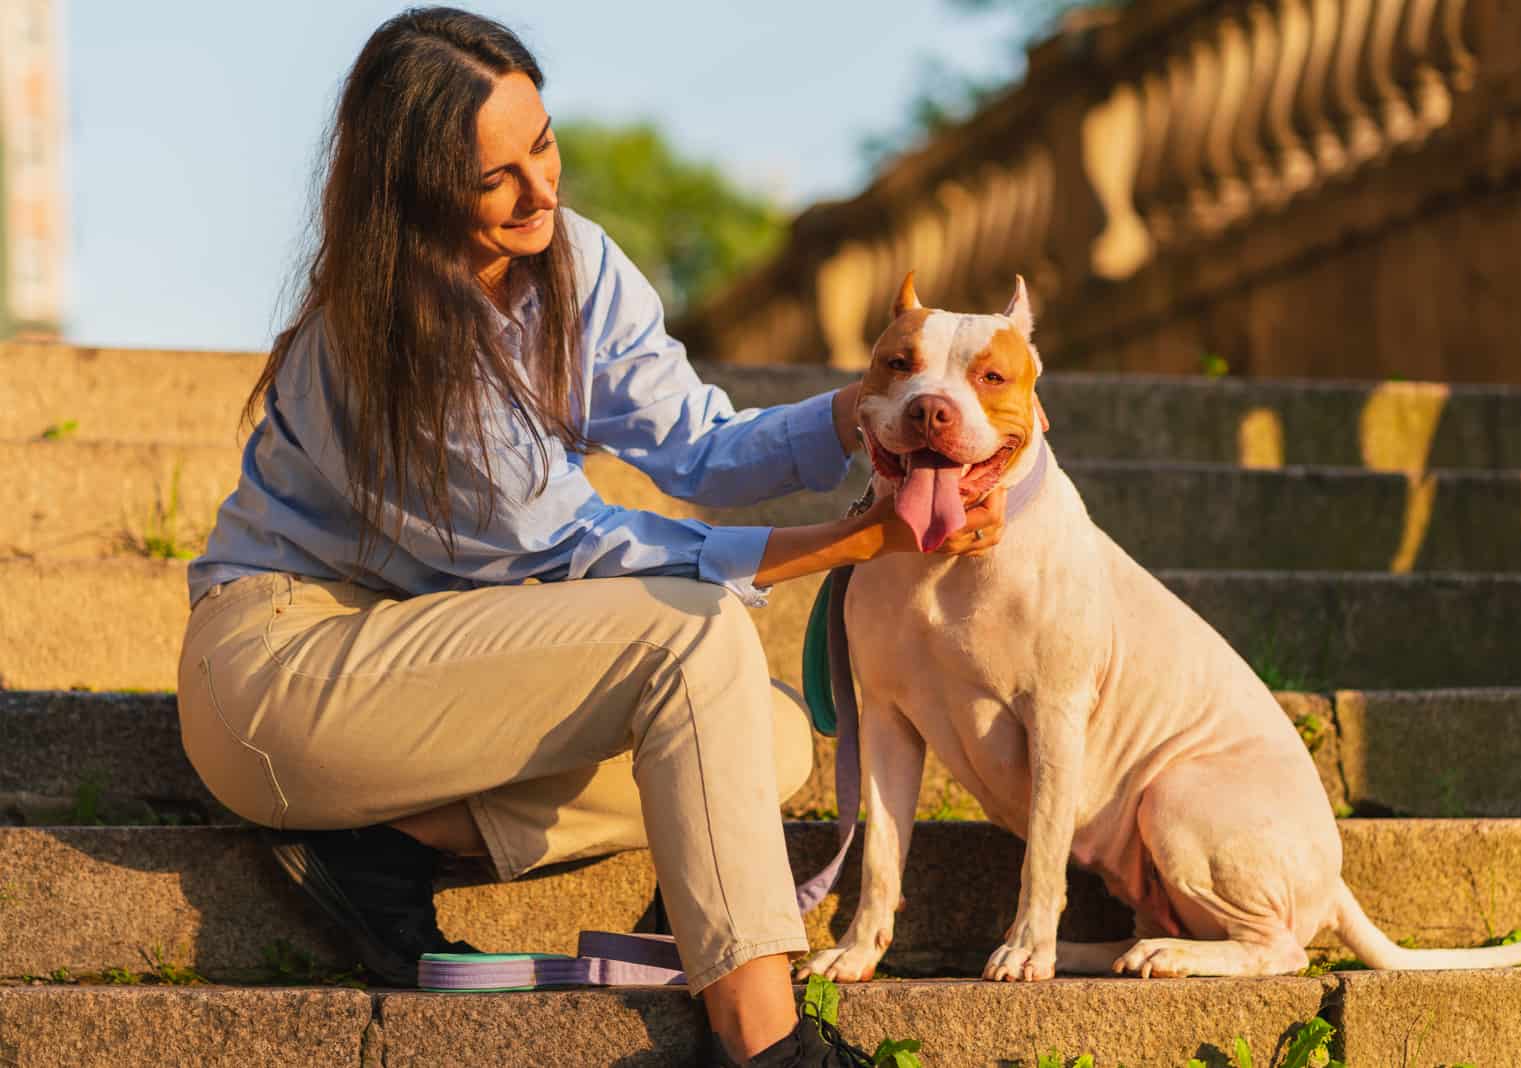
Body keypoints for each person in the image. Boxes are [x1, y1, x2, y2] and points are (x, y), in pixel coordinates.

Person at [175, 7, 1004, 1066]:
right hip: (283, 679)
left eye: (544, 144)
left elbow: (698, 447)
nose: (541, 191)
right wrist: (850, 544)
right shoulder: (385, 337)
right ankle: (765, 1041)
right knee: (691, 638)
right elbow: (575, 549)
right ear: (419, 189)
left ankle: (385, 845)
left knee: (770, 739)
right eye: (495, 179)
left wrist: (864, 412)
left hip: (428, 670)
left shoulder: (572, 262)